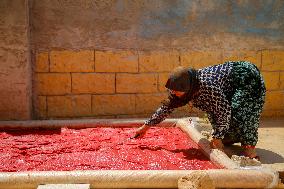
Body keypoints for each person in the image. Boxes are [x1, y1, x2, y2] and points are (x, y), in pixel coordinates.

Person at [133, 61, 266, 159]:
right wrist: (145, 127)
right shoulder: (183, 87)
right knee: (213, 111)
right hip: (229, 83)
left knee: (241, 112)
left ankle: (250, 150)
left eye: (178, 92)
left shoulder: (207, 87)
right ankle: (228, 137)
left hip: (247, 79)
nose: (174, 94)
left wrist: (217, 137)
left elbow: (223, 111)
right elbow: (167, 107)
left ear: (188, 88)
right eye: (173, 91)